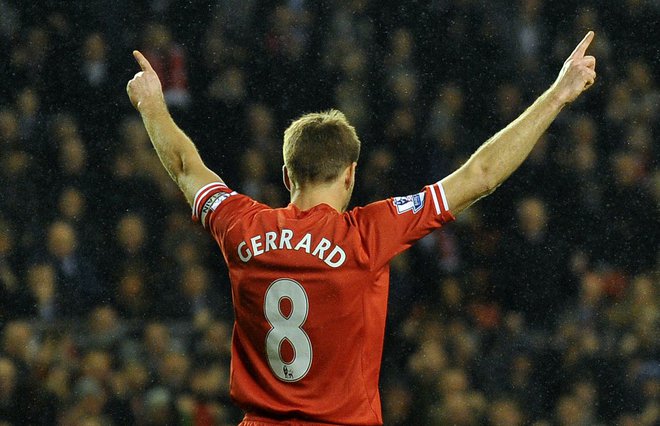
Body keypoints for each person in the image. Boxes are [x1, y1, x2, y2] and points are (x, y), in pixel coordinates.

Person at [126, 31, 597, 425]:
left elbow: (187, 166)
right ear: (350, 173)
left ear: (287, 175)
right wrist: (557, 95)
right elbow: (480, 177)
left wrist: (151, 104)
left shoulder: (243, 227)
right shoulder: (368, 234)